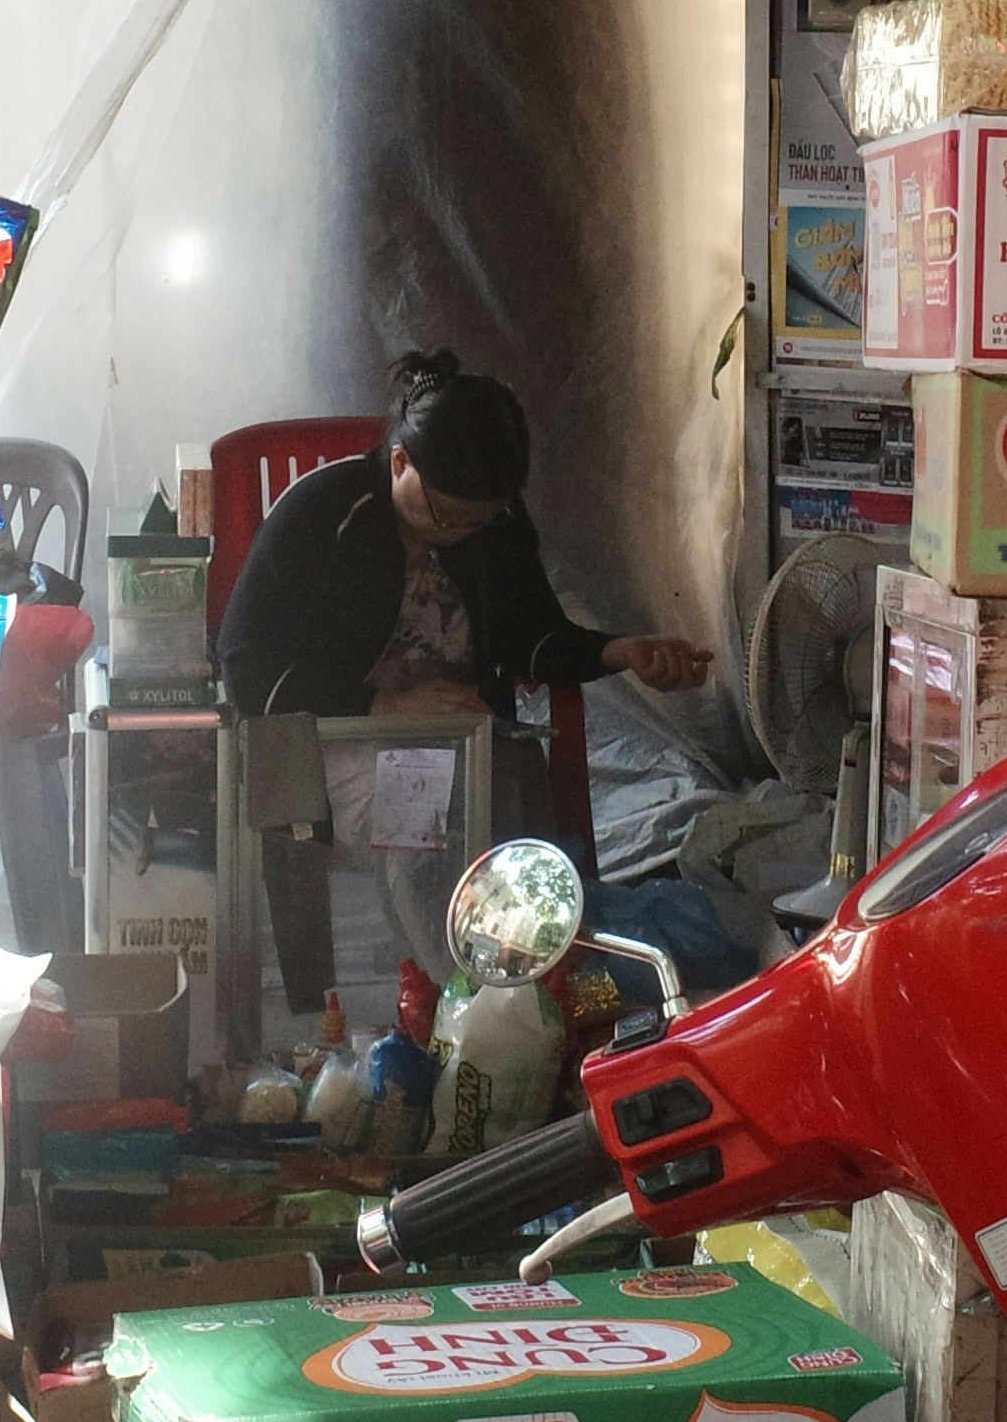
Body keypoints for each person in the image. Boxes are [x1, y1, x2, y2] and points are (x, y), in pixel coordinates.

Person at [217, 354, 712, 1011]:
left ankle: (540, 990)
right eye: (446, 516)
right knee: (436, 801)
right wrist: (382, 706)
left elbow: (531, 633)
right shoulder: (322, 514)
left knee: (511, 784)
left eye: (478, 522)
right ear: (400, 464)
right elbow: (246, 661)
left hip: (465, 745)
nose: (459, 534)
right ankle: (468, 1004)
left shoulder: (492, 528)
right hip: (328, 743)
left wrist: (623, 651)